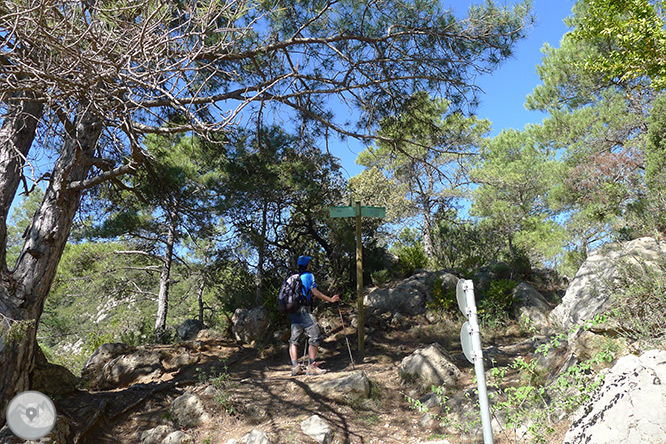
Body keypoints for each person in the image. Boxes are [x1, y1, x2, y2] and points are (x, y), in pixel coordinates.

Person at [288, 255, 340, 376]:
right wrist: (331, 299)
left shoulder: (293, 278)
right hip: (304, 311)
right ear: (307, 265)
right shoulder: (309, 276)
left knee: (294, 339)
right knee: (315, 336)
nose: (310, 264)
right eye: (309, 263)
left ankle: (295, 367)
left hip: (293, 311)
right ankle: (311, 366)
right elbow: (315, 292)